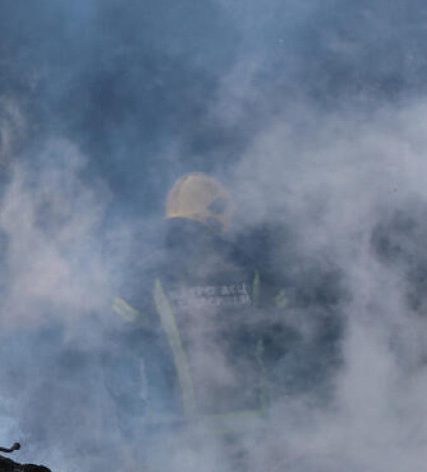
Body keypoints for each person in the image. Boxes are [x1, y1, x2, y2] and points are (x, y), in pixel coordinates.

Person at [106, 172, 291, 440]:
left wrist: (133, 415)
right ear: (210, 211)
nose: (231, 216)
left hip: (169, 435)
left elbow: (114, 348)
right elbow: (286, 333)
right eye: (225, 208)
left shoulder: (144, 269)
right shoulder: (249, 265)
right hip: (250, 433)